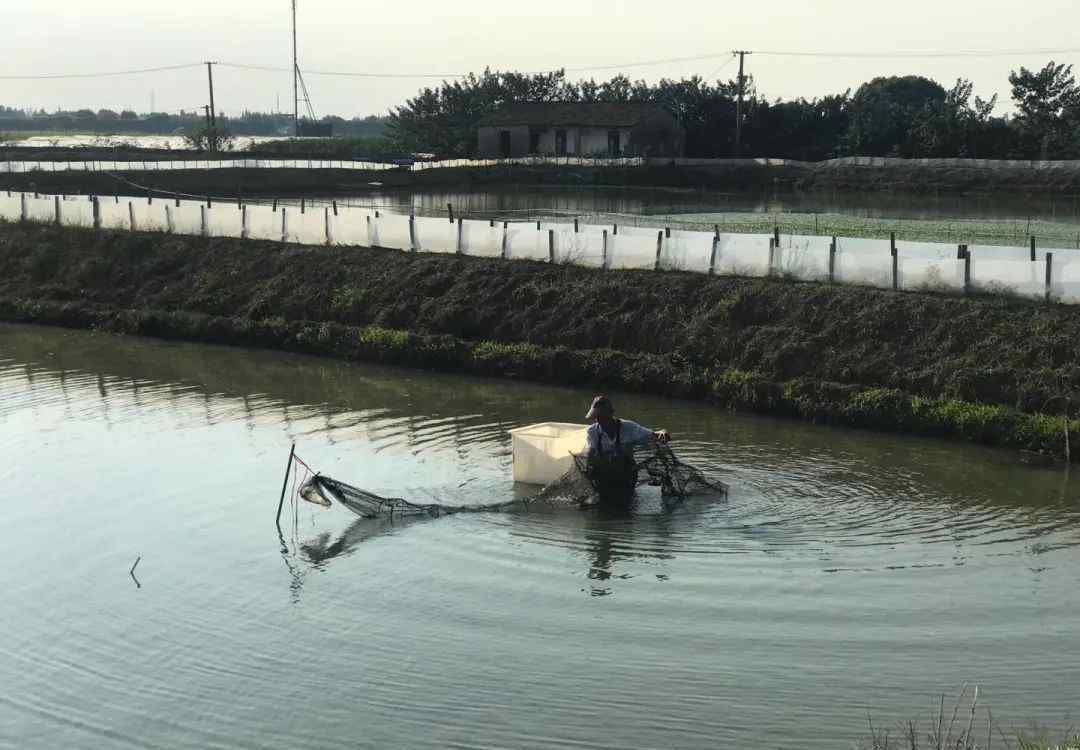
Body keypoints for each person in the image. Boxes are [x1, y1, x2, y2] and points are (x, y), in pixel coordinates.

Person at [583, 396, 670, 500]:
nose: (600, 420)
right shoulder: (592, 432)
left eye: (602, 416)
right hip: (603, 477)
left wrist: (663, 432)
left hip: (626, 476)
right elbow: (591, 456)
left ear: (611, 413)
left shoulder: (629, 427)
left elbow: (653, 435)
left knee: (625, 504)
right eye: (597, 417)